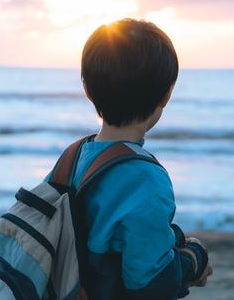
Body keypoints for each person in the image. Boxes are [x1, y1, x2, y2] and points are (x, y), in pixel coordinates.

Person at [62, 18, 213, 299]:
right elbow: (149, 282)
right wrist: (194, 262)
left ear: (86, 89)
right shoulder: (146, 179)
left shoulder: (72, 158)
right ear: (167, 95)